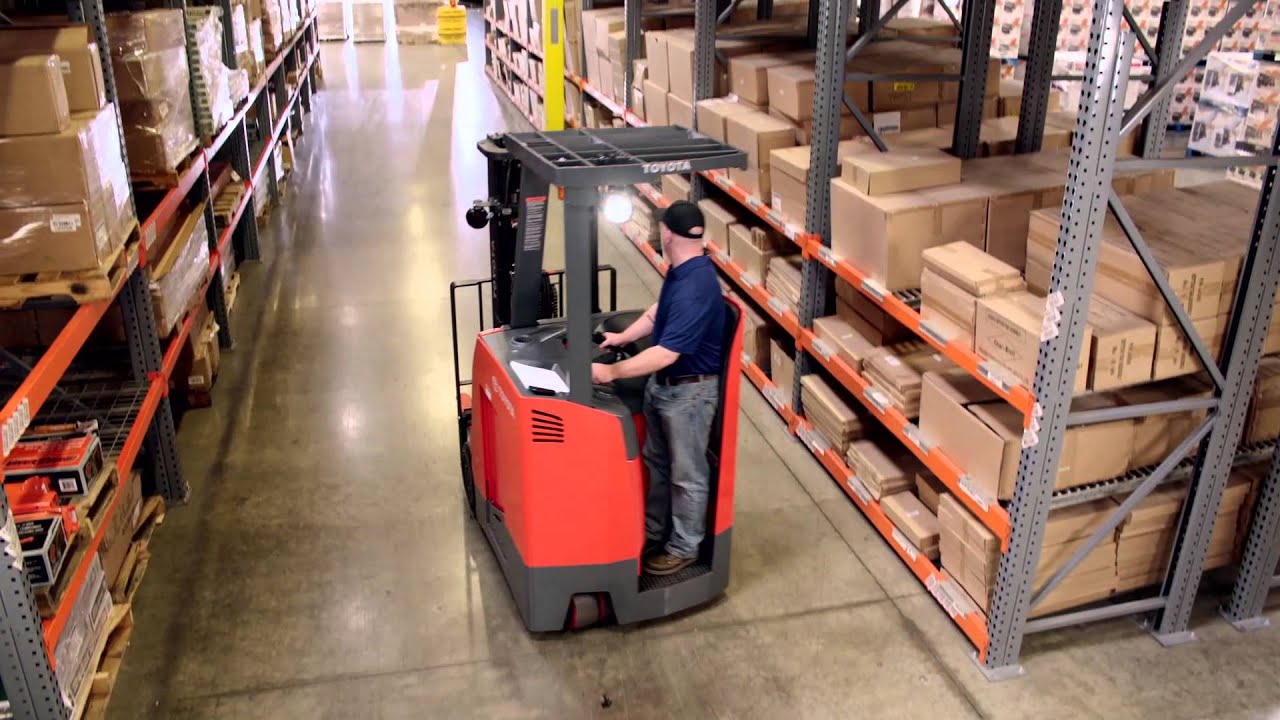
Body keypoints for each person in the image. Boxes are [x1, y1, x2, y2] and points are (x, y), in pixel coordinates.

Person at [591, 200, 725, 576]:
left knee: (686, 474)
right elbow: (656, 313)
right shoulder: (683, 271)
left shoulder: (697, 286)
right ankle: (654, 530)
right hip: (665, 389)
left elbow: (666, 354)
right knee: (657, 464)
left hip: (688, 395)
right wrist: (621, 337)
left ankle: (684, 547)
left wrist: (612, 373)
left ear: (667, 233)